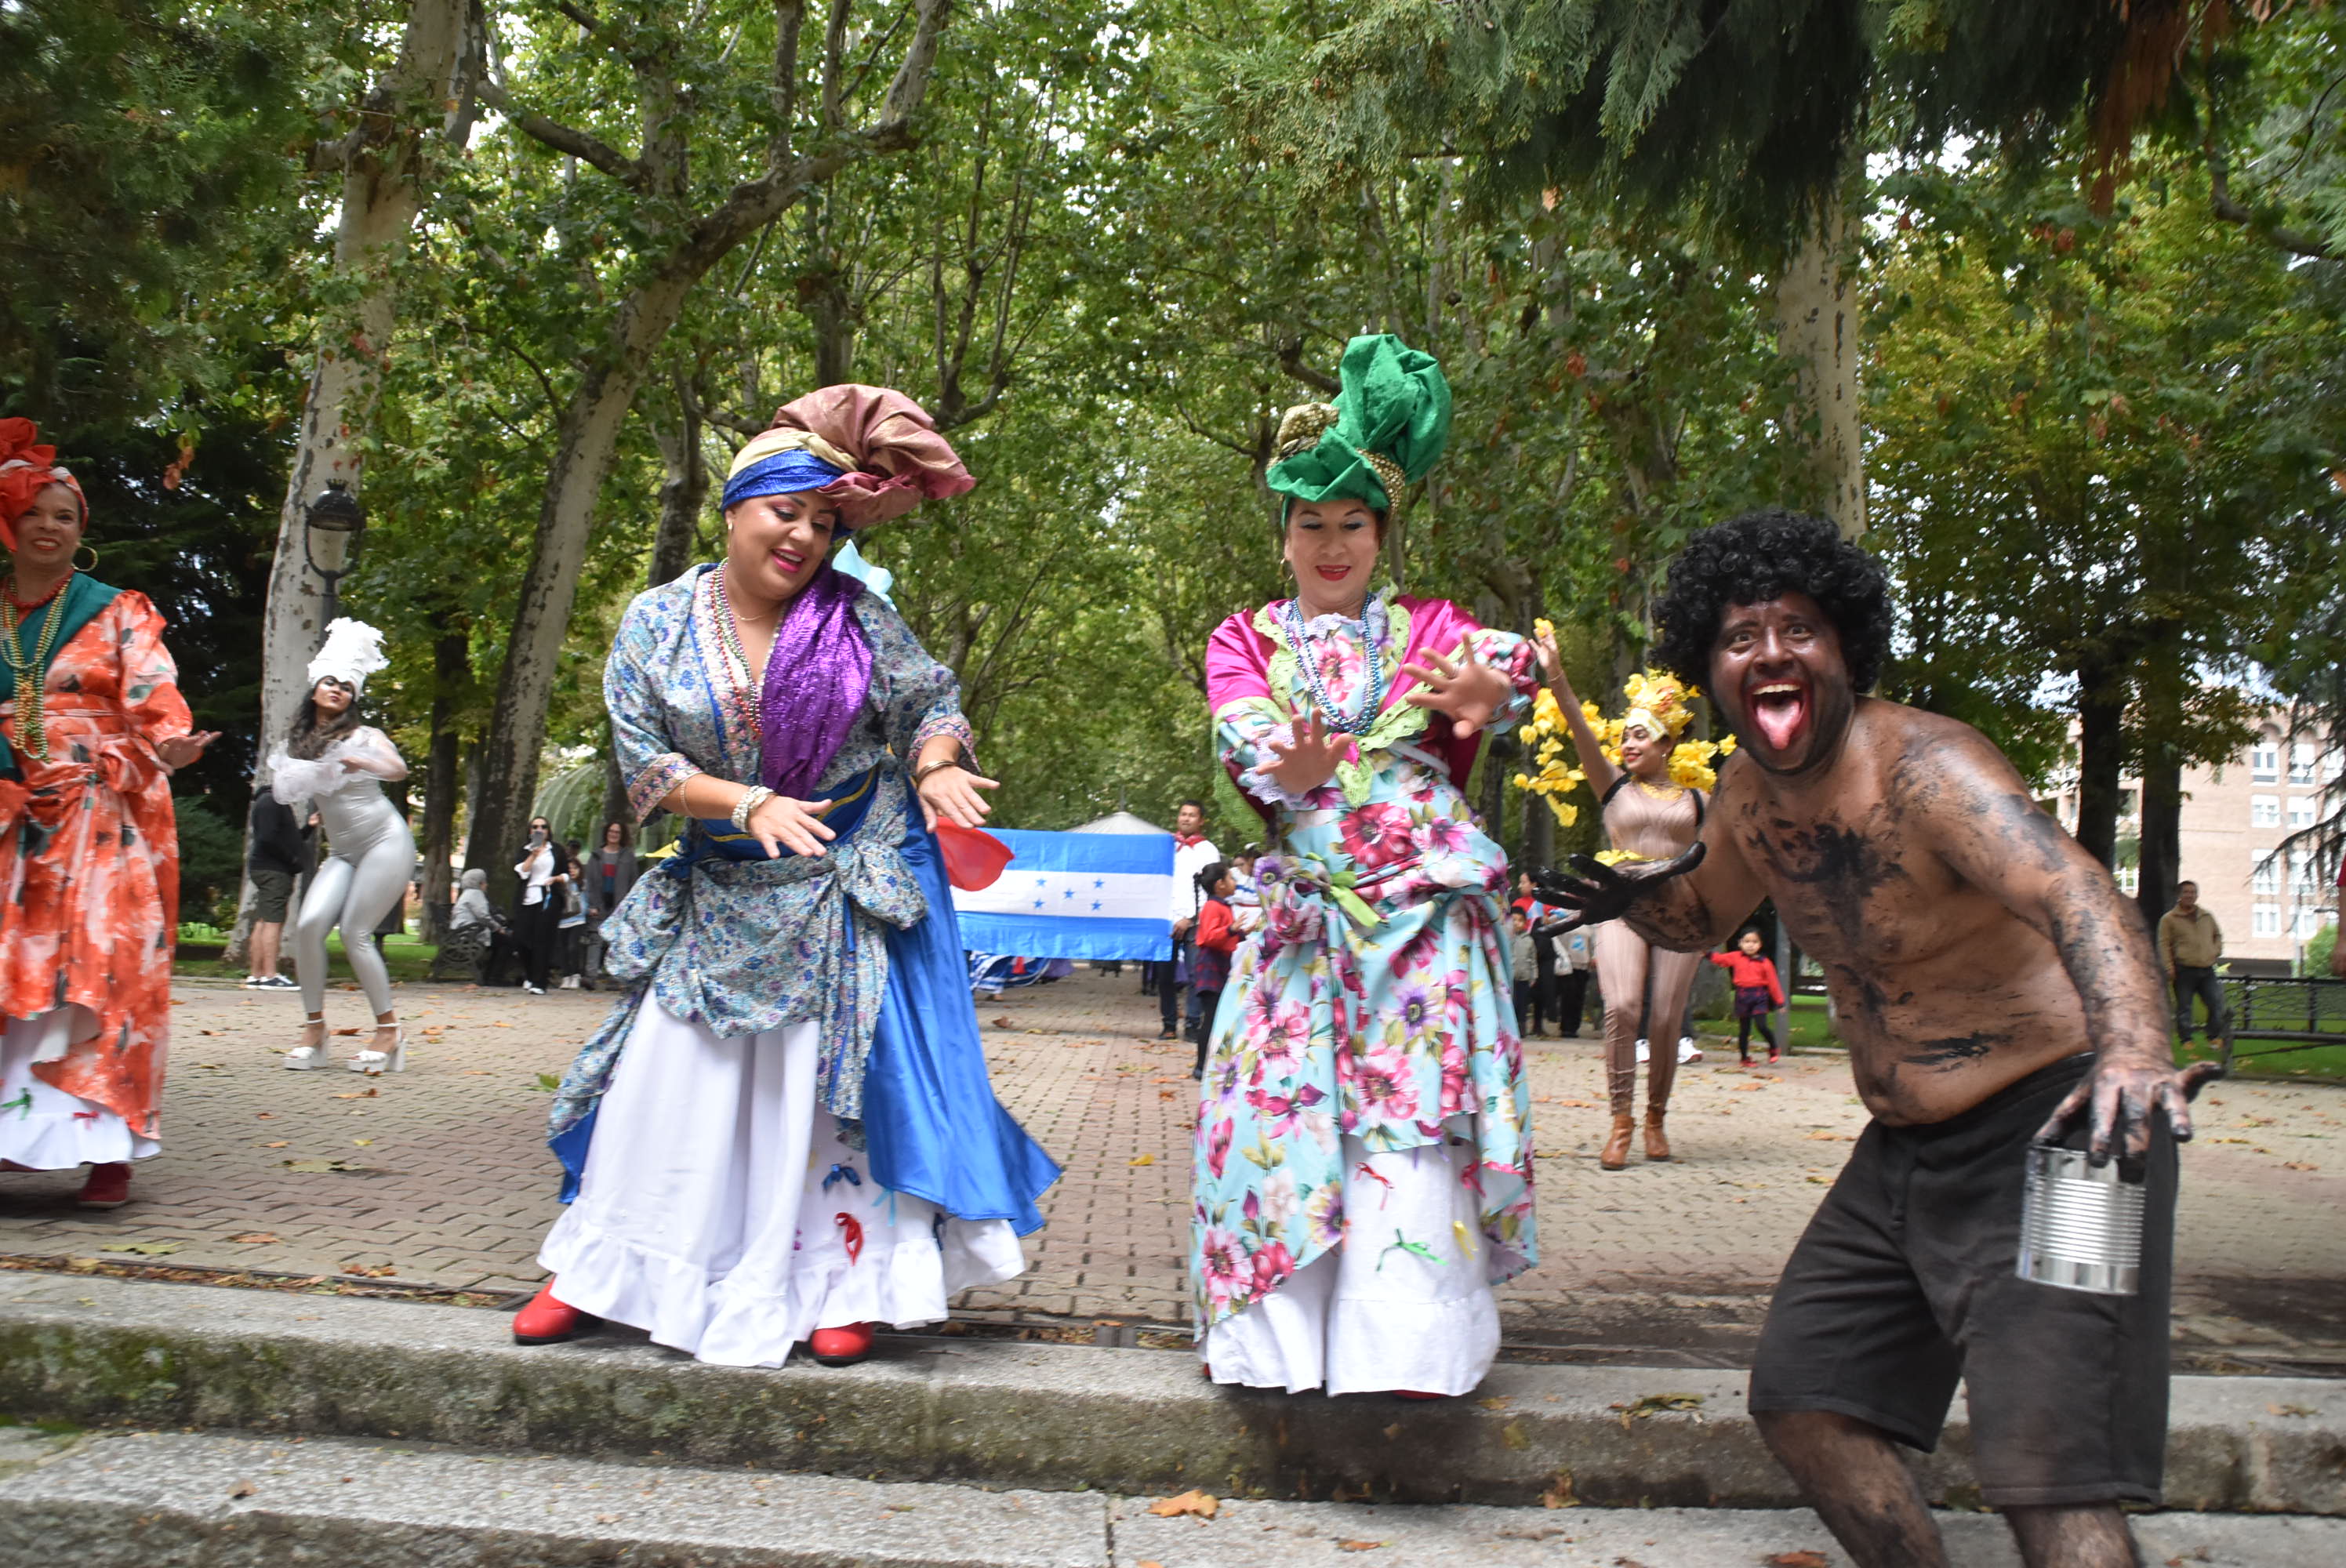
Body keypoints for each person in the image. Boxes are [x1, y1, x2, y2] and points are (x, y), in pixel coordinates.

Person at [1535, 508, 2216, 1568]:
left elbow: (2078, 893)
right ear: (1710, 671)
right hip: (1906, 1157)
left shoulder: (1929, 772)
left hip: (2074, 1132)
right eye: (1738, 636)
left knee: (2053, 1468)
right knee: (1809, 1402)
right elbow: (1698, 916)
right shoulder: (1752, 803)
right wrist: (1619, 896)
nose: (1769, 652)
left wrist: (2134, 1048)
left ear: (1845, 645)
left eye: (1797, 629)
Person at [516, 383, 1059, 1370]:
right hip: (722, 886)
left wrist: (936, 762)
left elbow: (927, 696)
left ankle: (840, 1284)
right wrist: (746, 802)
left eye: (822, 520)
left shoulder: (855, 618)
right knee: (668, 1078)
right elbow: (643, 764)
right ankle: (606, 1270)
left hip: (840, 889)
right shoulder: (655, 622)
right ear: (734, 508)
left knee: (825, 1092)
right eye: (785, 512)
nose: (804, 535)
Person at [1195, 334, 1538, 1399]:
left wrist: (1492, 698)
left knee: (1409, 1126)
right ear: (1286, 536)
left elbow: (1509, 666)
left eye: (1352, 525)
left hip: (1423, 935)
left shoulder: (1431, 626)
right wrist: (1284, 763)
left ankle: (1407, 1357)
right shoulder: (1243, 636)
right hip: (1307, 931)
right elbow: (1240, 723)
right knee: (1281, 1120)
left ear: (1382, 535)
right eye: (1312, 525)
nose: (1332, 543)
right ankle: (1284, 1355)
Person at [0, 419, 216, 1208]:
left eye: (66, 515)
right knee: (11, 975)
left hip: (96, 812)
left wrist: (169, 737)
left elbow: (153, 687)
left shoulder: (116, 608)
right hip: (8, 817)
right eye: (35, 513)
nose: (51, 527)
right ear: (8, 523)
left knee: (100, 969)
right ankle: (16, 1137)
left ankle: (105, 1151)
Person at [1527, 645, 1714, 1170]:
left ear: (1667, 743)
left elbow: (1719, 862)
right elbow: (1579, 726)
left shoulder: (1698, 802)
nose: (1628, 743)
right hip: (1619, 905)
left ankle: (1655, 1119)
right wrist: (1557, 673)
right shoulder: (1611, 786)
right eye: (1626, 734)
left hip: (1680, 911)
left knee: (1667, 1019)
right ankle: (1621, 1121)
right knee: (1623, 1007)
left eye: (1640, 734)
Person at [268, 619, 414, 1075]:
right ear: (315, 687)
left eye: (347, 687)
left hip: (385, 842)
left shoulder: (363, 736)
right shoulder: (298, 744)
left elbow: (397, 769)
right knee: (309, 925)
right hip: (344, 852)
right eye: (331, 682)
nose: (338, 691)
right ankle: (315, 1029)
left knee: (355, 932)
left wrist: (360, 759)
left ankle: (388, 1032)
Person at [1155, 800, 1220, 1040]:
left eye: (1192, 815)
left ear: (1201, 821)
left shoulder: (1208, 850)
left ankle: (1193, 1024)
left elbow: (1210, 889)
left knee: (1195, 975)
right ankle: (1169, 1023)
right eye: (1183, 814)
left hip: (1195, 922)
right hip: (1164, 921)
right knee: (1164, 976)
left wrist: (1191, 918)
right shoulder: (1165, 847)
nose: (1186, 819)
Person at [243, 788, 314, 989]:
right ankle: (270, 975)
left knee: (263, 920)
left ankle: (257, 975)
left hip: (267, 868)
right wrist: (291, 861)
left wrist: (309, 827)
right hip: (274, 870)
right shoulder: (271, 802)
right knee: (274, 922)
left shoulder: (269, 802)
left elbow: (288, 839)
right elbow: (267, 839)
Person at [2156, 881, 2227, 1047]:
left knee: (2215, 1002)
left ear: (2197, 895)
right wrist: (2168, 967)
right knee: (2184, 1007)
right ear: (2179, 895)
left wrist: (2215, 951)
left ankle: (2213, 1036)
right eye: (2186, 892)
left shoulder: (2206, 916)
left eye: (2193, 892)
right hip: (2183, 970)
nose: (2190, 895)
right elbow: (2164, 944)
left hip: (2206, 969)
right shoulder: (2169, 919)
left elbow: (2217, 935)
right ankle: (2186, 1039)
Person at [1189, 862, 1240, 1079]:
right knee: (1210, 1016)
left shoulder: (1224, 905)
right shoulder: (1213, 907)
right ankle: (1201, 1066)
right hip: (1211, 964)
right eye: (1230, 878)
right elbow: (1210, 936)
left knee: (1217, 1015)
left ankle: (1211, 1062)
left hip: (1222, 963)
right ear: (1220, 884)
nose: (1234, 882)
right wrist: (1231, 930)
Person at [1709, 928, 1785, 1066]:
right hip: (1742, 996)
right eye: (1747, 941)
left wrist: (1780, 1002)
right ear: (1740, 943)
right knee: (1744, 1030)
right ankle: (1744, 1058)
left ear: (1760, 944)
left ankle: (1773, 1047)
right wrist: (1707, 954)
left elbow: (1773, 983)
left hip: (1759, 996)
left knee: (1761, 1025)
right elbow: (1721, 959)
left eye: (1754, 942)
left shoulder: (1765, 963)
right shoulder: (1736, 957)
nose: (1750, 945)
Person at [581, 819, 638, 987]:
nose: (614, 835)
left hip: (620, 904)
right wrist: (591, 904)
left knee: (617, 941)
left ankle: (615, 978)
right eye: (611, 831)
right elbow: (589, 882)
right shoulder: (596, 855)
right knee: (595, 939)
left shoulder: (628, 856)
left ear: (622, 836)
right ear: (606, 833)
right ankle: (590, 977)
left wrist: (632, 905)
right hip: (599, 902)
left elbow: (634, 881)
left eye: (617, 832)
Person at [511, 815, 562, 994]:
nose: (539, 830)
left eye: (543, 827)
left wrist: (557, 878)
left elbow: (567, 873)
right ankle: (531, 975)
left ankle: (540, 983)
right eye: (535, 827)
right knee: (520, 939)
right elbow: (522, 873)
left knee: (543, 940)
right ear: (530, 830)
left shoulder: (556, 850)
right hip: (527, 898)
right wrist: (533, 855)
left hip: (548, 898)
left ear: (548, 830)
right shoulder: (525, 850)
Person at [433, 866, 501, 982]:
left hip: (460, 934)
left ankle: (491, 974)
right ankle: (495, 976)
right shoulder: (476, 894)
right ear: (480, 883)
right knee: (505, 942)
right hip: (469, 936)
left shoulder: (467, 894)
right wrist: (498, 928)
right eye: (485, 882)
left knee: (501, 941)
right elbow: (483, 916)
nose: (487, 885)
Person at [1553, 924, 1592, 1038]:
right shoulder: (1564, 919)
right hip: (1568, 965)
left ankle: (1574, 1027)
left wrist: (1593, 957)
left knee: (1579, 997)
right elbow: (1556, 940)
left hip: (1583, 964)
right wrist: (1563, 955)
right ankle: (1565, 1027)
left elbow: (1593, 943)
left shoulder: (1590, 923)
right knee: (1567, 996)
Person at [1507, 909, 1540, 1038]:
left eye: (1520, 921)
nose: (1516, 923)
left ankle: (1521, 1029)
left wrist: (1534, 976)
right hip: (1510, 978)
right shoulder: (1507, 938)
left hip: (1524, 978)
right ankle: (1510, 1029)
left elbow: (1533, 960)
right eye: (1514, 920)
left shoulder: (1529, 940)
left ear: (1525, 923)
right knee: (1511, 1004)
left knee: (1522, 1005)